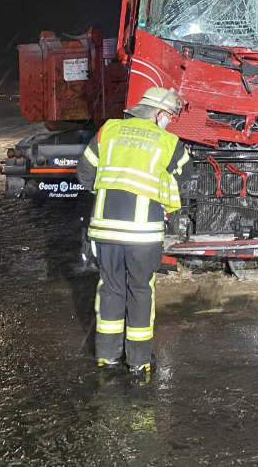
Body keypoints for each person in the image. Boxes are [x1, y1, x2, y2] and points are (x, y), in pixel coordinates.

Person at [77, 86, 189, 380]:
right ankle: (139, 361)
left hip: (105, 230)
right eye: (168, 116)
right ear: (157, 113)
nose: (169, 122)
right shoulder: (168, 142)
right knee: (140, 291)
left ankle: (107, 356)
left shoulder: (109, 130)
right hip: (142, 234)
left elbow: (84, 173)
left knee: (110, 288)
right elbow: (186, 179)